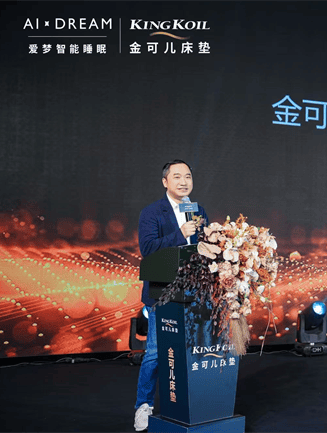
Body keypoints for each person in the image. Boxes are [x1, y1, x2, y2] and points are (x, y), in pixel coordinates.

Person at [133, 160, 208, 431]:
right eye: (177, 177)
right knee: (155, 353)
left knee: (193, 350)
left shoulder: (197, 210)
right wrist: (180, 234)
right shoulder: (152, 212)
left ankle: (193, 402)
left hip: (194, 292)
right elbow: (148, 249)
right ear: (165, 181)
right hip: (162, 292)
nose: (183, 182)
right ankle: (143, 406)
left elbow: (205, 245)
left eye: (187, 176)